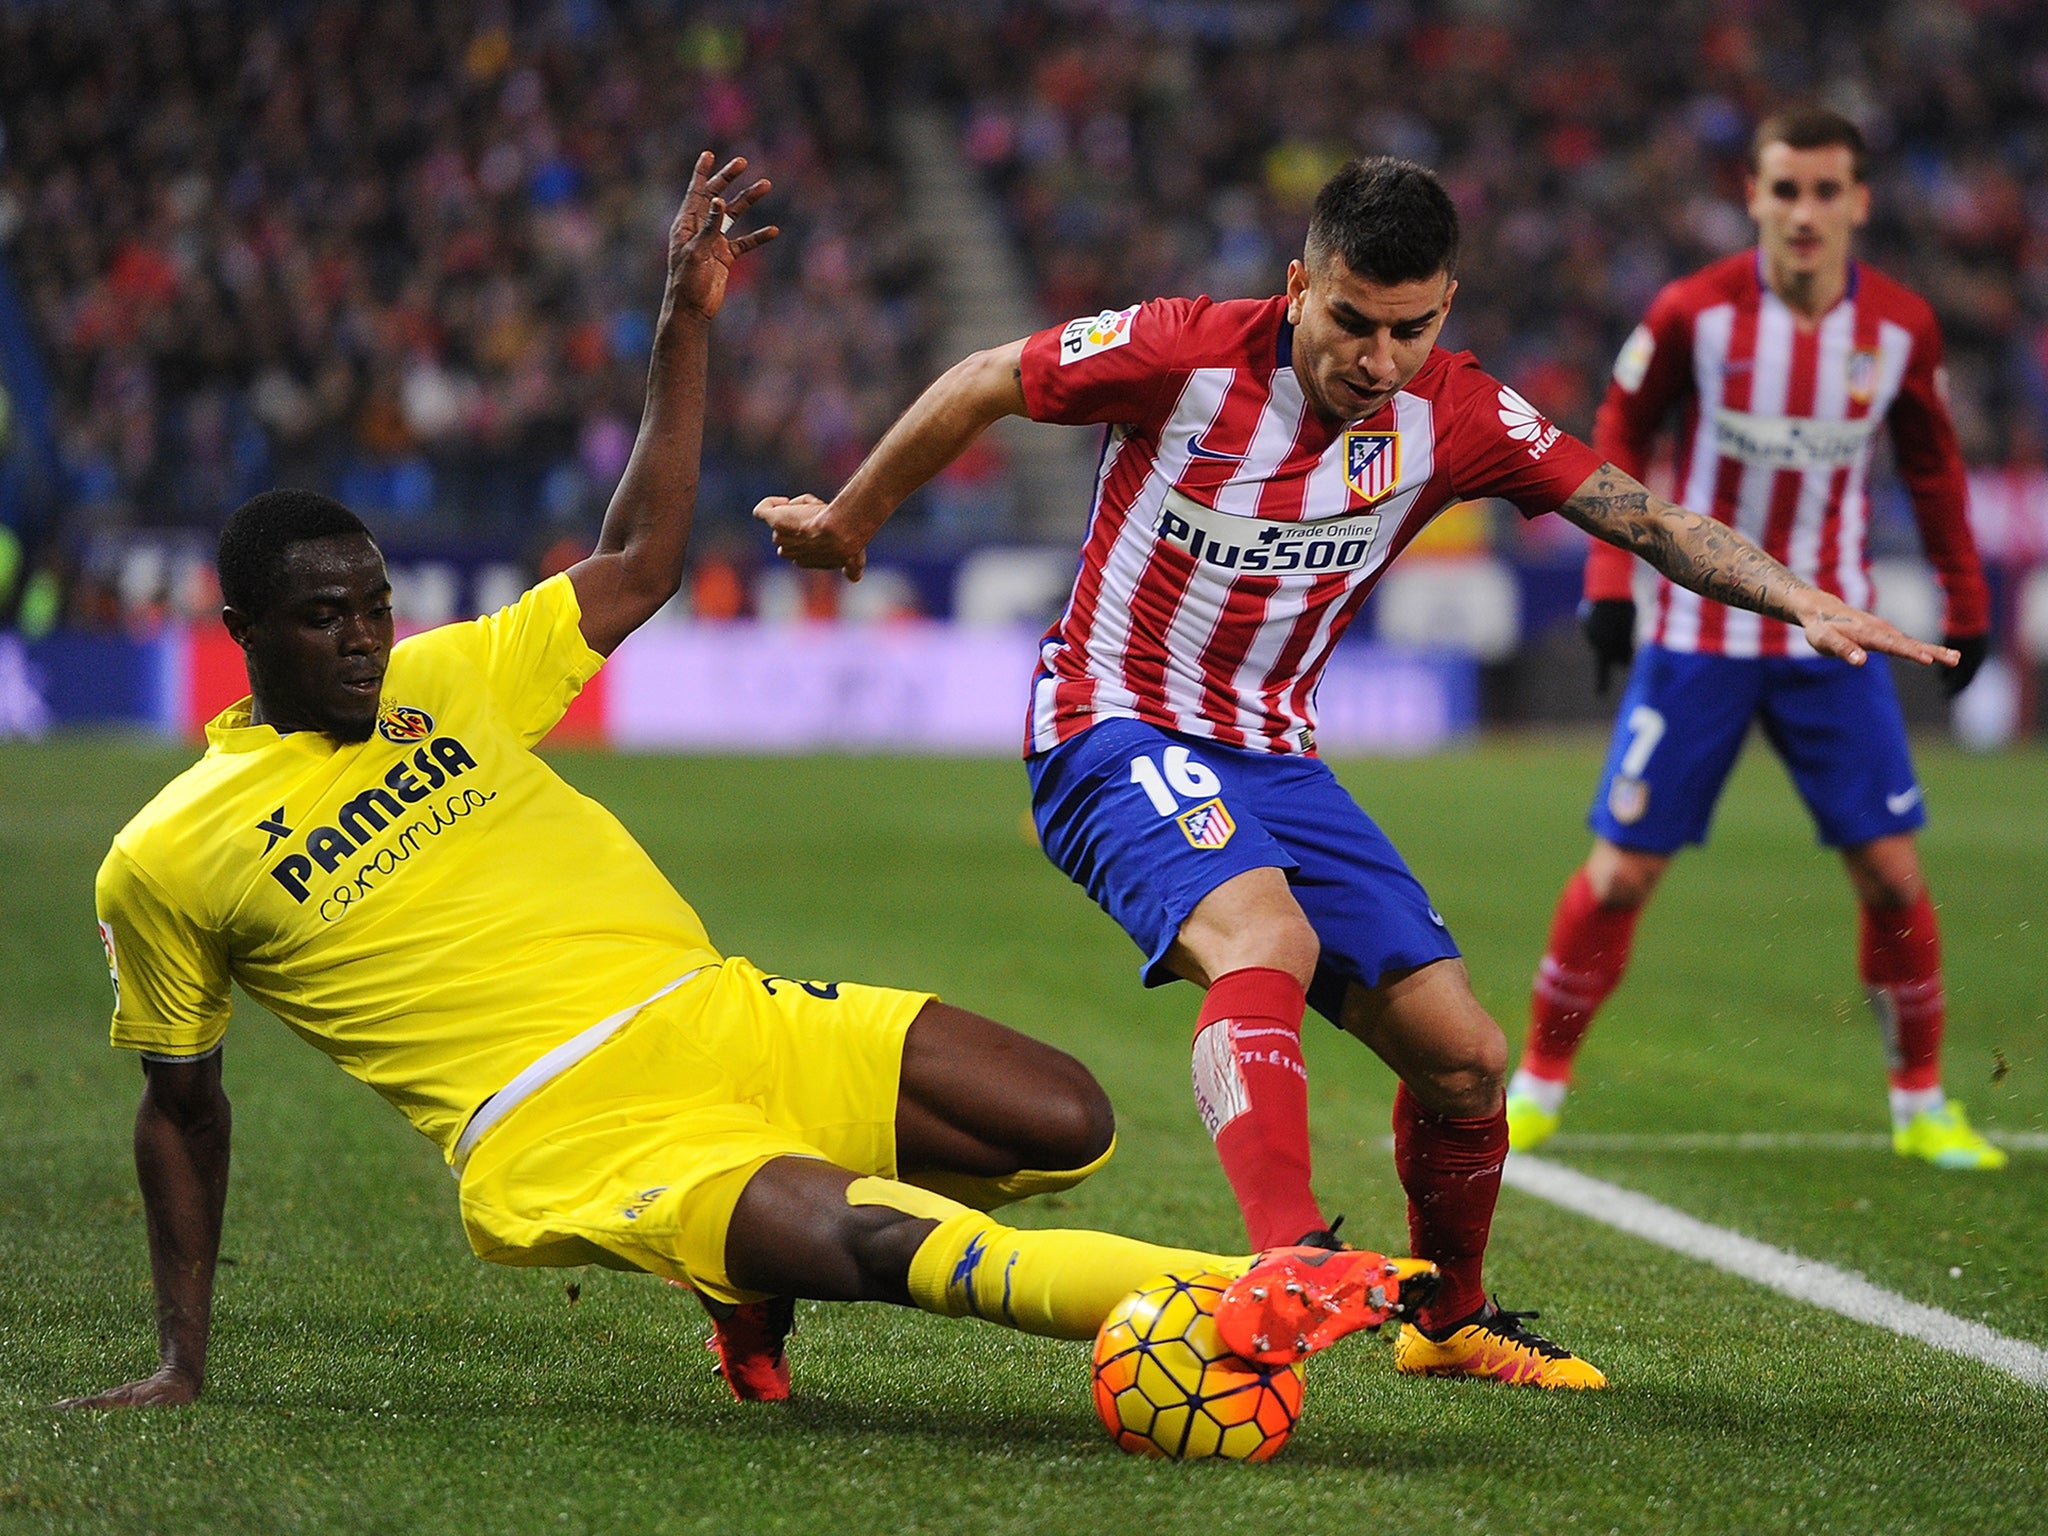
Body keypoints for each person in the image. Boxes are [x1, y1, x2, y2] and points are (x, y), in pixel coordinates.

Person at [61, 154, 1425, 1414]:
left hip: (722, 1013)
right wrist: (181, 1363)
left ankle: (752, 1259)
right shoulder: (172, 855)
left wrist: (683, 318)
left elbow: (642, 562)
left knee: (1063, 1120)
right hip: (565, 1124)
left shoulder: (445, 679)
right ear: (240, 633)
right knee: (877, 1236)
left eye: (373, 604)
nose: (364, 637)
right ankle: (1235, 1291)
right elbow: (183, 1107)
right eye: (323, 619)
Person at [754, 155, 1960, 1390]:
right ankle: (1289, 1254)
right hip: (1107, 722)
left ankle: (1446, 1323)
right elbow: (983, 378)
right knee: (1262, 941)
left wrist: (1798, 597)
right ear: (1296, 287)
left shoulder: (1461, 410)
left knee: (1464, 1059)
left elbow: (1637, 514)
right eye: (1349, 322)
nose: (1377, 359)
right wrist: (851, 519)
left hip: (1275, 755)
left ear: (1443, 308)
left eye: (1410, 328)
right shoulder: (1178, 353)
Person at [1502, 108, 2004, 1172]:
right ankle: (1535, 1088)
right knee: (1621, 873)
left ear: (1858, 201)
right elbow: (1621, 432)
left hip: (1834, 639)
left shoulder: (1901, 327)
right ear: (1753, 196)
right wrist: (1608, 579)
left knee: (1888, 874)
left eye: (1826, 191)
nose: (1805, 211)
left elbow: (1931, 467)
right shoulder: (1694, 313)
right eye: (1786, 190)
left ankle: (1919, 1106)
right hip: (1697, 636)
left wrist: (1964, 604)